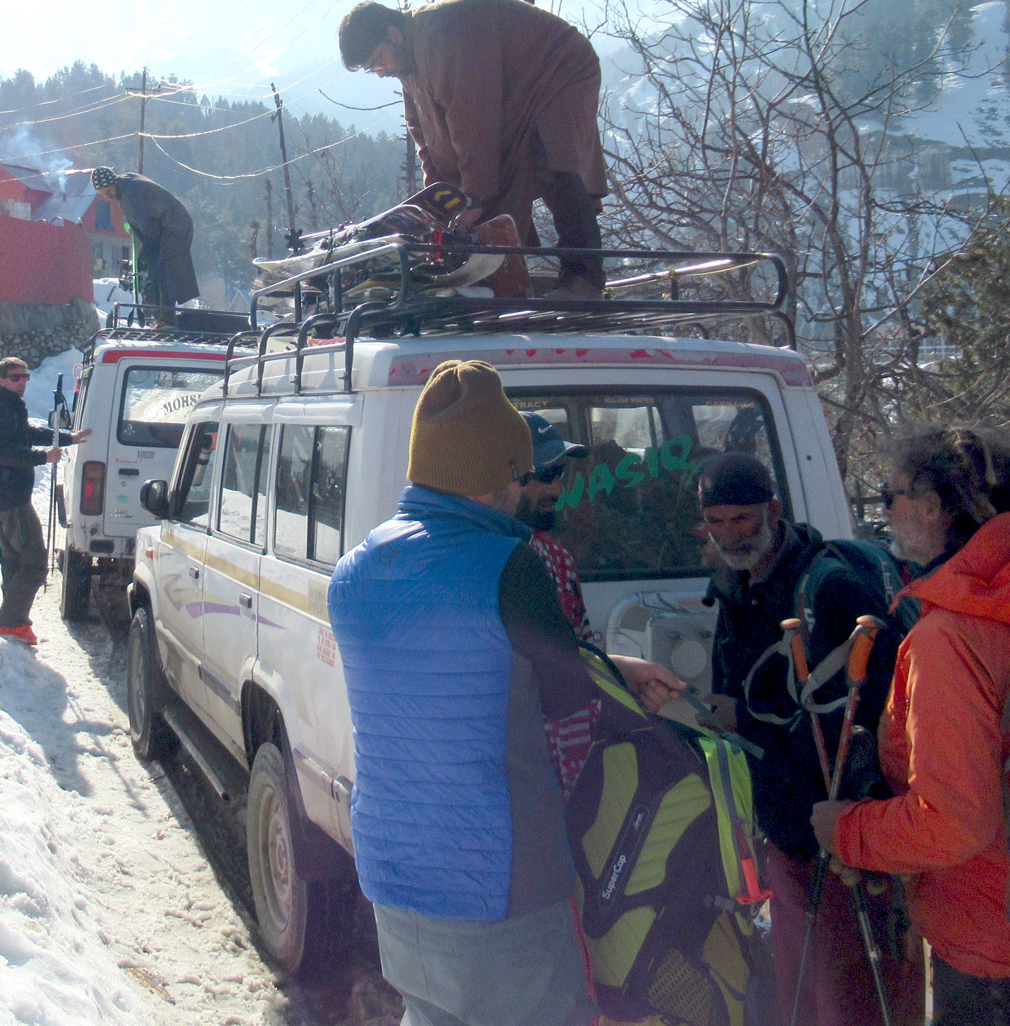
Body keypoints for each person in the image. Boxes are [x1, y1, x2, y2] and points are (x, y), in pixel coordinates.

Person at [328, 361, 683, 1026]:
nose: (527, 488)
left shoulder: (356, 569)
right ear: (500, 475)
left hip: (396, 875)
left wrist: (613, 662)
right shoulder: (511, 566)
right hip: (498, 883)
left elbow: (463, 660)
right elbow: (567, 693)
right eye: (522, 474)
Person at [813, 427, 1010, 1026]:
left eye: (888, 498)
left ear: (930, 506)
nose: (885, 515)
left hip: (993, 951)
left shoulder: (949, 637)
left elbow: (954, 822)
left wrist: (847, 831)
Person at [697, 453, 921, 1026]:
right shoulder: (736, 585)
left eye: (743, 520)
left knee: (856, 1004)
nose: (731, 536)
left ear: (773, 510)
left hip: (848, 837)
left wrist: (742, 720)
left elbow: (877, 718)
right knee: (808, 1003)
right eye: (717, 522)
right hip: (789, 833)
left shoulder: (831, 589)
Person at [339, 0, 607, 297]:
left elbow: (473, 120)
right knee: (484, 195)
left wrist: (473, 198)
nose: (381, 72)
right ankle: (502, 279)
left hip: (560, 67)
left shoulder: (440, 33)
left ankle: (585, 278)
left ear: (393, 34)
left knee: (555, 163)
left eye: (378, 61)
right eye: (372, 68)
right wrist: (442, 201)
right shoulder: (409, 61)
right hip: (515, 93)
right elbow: (425, 136)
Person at [0, 356, 88, 647]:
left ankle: (13, 624)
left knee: (13, 560)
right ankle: (10, 623)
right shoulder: (1, 410)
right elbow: (4, 453)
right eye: (15, 378)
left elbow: (27, 434)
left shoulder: (5, 406)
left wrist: (66, 438)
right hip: (10, 500)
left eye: (25, 377)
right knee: (35, 563)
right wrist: (43, 457)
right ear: (1, 379)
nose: (22, 382)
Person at [517, 412, 593, 640]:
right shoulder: (481, 558)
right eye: (547, 474)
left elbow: (582, 652)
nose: (558, 490)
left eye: (560, 473)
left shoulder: (559, 559)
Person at [90, 167, 198, 324]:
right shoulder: (126, 183)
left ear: (113, 183)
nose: (108, 196)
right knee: (157, 268)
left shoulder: (129, 198)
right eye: (103, 193)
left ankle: (167, 321)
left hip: (174, 226)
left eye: (108, 191)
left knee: (163, 269)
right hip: (171, 223)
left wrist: (142, 258)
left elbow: (151, 233)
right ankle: (163, 317)